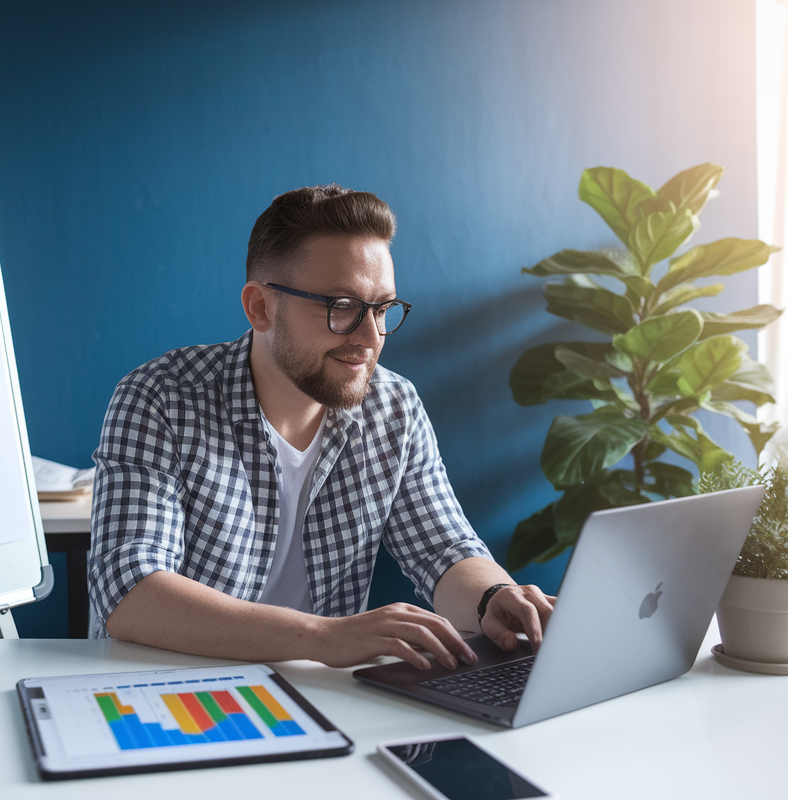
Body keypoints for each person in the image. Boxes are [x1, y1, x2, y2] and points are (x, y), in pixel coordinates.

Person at [87, 184, 554, 671]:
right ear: (261, 308)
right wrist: (319, 636)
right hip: (172, 695)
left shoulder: (393, 406)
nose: (371, 338)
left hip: (322, 699)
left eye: (382, 309)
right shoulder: (160, 397)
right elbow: (130, 590)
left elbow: (444, 548)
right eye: (342, 307)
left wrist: (493, 598)